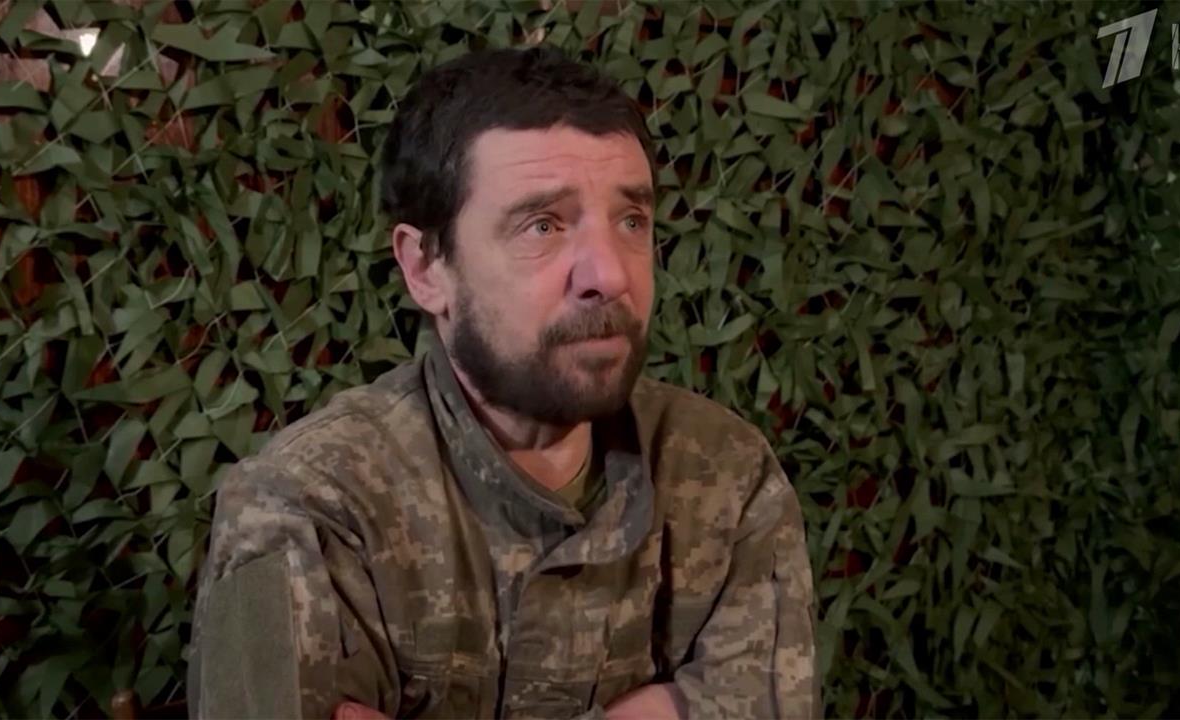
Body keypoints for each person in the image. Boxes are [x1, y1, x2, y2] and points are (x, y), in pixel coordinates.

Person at [187, 45, 820, 720]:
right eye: (542, 225)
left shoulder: (727, 472)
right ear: (426, 268)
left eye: (631, 221)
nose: (609, 274)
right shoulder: (304, 505)